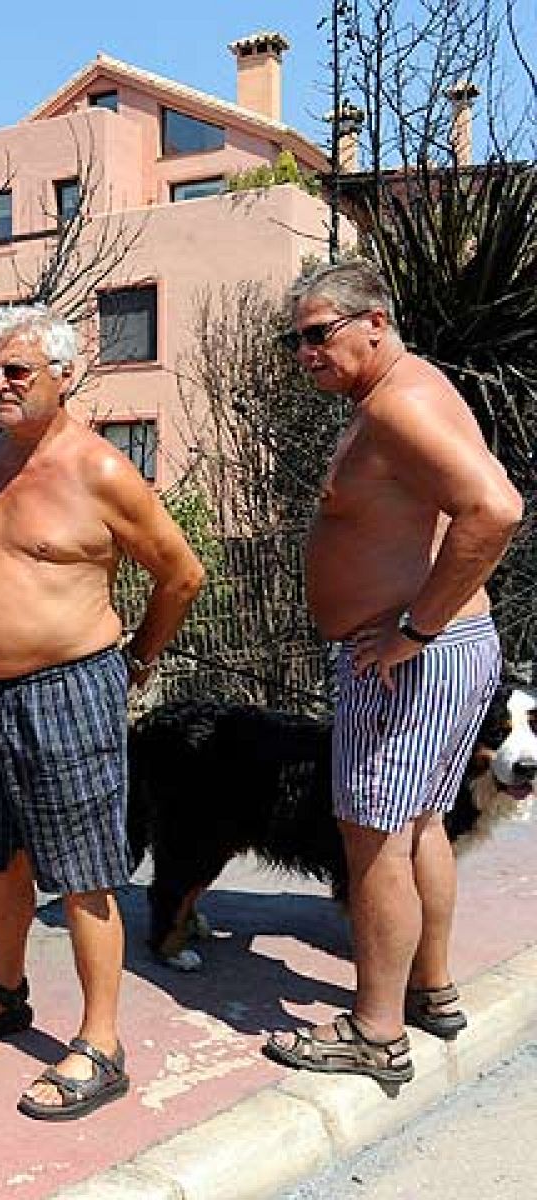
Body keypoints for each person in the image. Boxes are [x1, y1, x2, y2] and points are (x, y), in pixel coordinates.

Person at [0, 304, 204, 1120]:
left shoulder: (102, 471)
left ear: (63, 374)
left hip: (68, 690)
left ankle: (102, 1044)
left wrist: (139, 663)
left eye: (18, 371)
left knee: (86, 871)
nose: (0, 384)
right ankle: (6, 988)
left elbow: (180, 574)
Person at [265, 260, 523, 1085]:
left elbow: (496, 508)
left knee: (373, 837)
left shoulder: (401, 402)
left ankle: (375, 1031)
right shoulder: (399, 394)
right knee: (417, 829)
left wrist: (416, 628)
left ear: (374, 320)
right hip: (438, 653)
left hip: (413, 660)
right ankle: (432, 990)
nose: (304, 353)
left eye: (318, 334)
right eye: (295, 339)